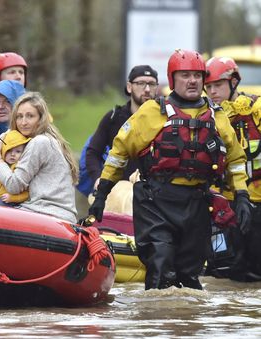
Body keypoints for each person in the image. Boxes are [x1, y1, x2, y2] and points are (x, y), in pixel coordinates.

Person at [89, 49, 251, 290]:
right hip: (156, 202)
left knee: (190, 277)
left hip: (197, 203)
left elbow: (236, 159)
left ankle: (185, 323)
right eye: (185, 75)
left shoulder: (217, 116)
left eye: (197, 75)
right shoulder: (153, 112)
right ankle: (158, 323)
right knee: (161, 266)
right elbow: (119, 153)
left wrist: (241, 195)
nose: (193, 80)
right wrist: (102, 194)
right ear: (172, 79)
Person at [204, 56, 261, 281]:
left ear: (233, 83)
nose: (213, 91)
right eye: (208, 87)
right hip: (223, 205)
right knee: (221, 272)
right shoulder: (207, 116)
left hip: (256, 201)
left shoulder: (255, 109)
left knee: (253, 271)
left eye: (218, 85)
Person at [0, 91, 78, 223]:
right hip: (54, 213)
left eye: (30, 116)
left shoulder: (40, 142)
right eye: (19, 117)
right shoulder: (49, 139)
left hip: (47, 213)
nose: (23, 122)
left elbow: (14, 185)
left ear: (41, 119)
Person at [85, 65, 159, 189]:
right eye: (141, 83)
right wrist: (98, 179)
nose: (147, 89)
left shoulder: (164, 118)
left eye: (151, 84)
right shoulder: (113, 118)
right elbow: (92, 152)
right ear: (129, 87)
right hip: (117, 194)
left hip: (153, 194)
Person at [0, 129, 30, 204]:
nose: (13, 154)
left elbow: (27, 194)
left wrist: (13, 198)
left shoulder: (20, 170)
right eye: (9, 150)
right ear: (3, 150)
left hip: (5, 202)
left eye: (18, 151)